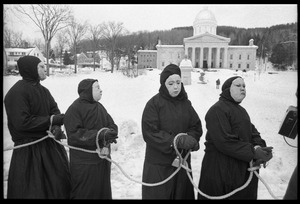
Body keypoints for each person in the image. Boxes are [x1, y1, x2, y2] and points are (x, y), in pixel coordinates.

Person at [4, 55, 71, 199]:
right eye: (41, 66)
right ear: (30, 69)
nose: (44, 69)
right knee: (33, 190)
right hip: (28, 152)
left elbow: (55, 111)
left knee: (59, 185)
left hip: (50, 148)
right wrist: (51, 120)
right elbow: (22, 122)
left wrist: (56, 126)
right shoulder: (16, 93)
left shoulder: (44, 91)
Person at [197, 76, 273, 200]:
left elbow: (253, 133)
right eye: (238, 86)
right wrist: (253, 152)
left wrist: (261, 148)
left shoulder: (242, 111)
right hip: (220, 171)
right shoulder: (217, 110)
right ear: (227, 89)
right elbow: (224, 141)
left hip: (240, 171)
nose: (242, 88)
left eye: (244, 86)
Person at [141, 64, 203, 199]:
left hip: (182, 164)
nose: (176, 87)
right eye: (171, 83)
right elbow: (150, 132)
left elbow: (196, 126)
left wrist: (192, 139)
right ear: (164, 85)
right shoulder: (154, 104)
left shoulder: (186, 104)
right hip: (159, 167)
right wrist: (175, 141)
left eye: (178, 82)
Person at [64, 78, 118, 199]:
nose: (101, 90)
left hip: (102, 161)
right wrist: (99, 135)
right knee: (85, 193)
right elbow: (74, 135)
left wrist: (111, 133)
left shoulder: (100, 107)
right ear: (88, 91)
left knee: (102, 192)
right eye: (97, 87)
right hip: (85, 165)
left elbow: (111, 124)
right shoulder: (74, 109)